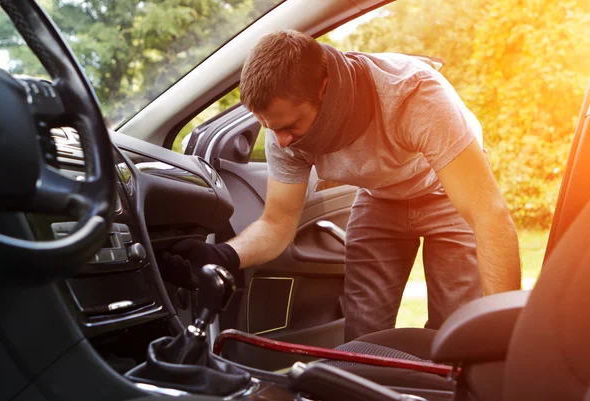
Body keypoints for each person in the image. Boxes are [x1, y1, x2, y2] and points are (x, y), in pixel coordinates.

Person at [162, 30, 521, 341]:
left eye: (290, 126)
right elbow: (277, 223)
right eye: (273, 129)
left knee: (455, 327)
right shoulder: (282, 131)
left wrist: (502, 335)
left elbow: (488, 215)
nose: (282, 141)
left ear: (324, 88)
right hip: (380, 197)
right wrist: (225, 256)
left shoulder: (413, 95)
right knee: (363, 333)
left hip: (445, 191)